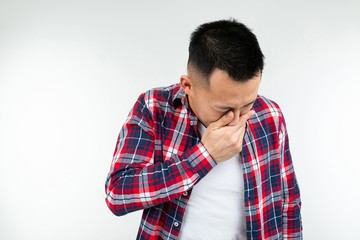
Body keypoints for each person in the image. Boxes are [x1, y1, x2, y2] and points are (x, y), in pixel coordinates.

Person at [105, 19, 302, 240]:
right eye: (224, 108)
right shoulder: (154, 107)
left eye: (247, 104)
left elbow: (288, 202)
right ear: (187, 86)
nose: (236, 119)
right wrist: (205, 155)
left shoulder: (270, 115)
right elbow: (117, 194)